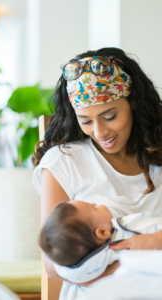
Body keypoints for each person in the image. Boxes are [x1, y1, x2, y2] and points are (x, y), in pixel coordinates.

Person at [32, 48, 162, 289]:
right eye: (86, 121)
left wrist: (156, 242)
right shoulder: (62, 162)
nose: (100, 132)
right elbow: (53, 265)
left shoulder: (158, 154)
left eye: (110, 116)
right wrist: (135, 265)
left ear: (133, 103)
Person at [39, 200, 162, 268]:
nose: (94, 203)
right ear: (102, 232)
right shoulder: (129, 227)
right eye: (94, 208)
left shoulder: (92, 270)